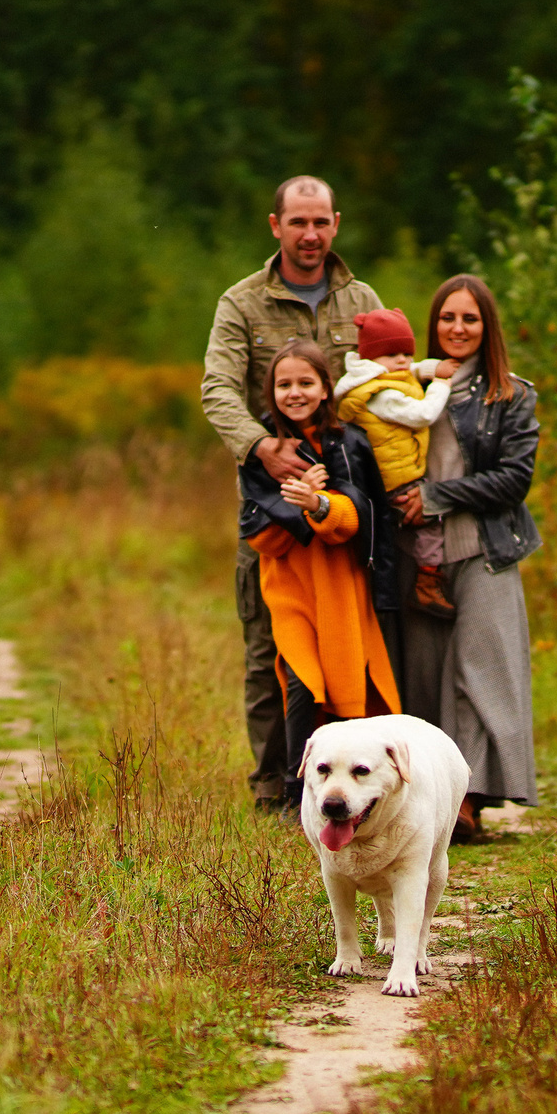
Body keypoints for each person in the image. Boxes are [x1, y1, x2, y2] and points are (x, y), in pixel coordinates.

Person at [201, 176, 391, 813]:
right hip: (274, 513)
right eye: (297, 223)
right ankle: (274, 791)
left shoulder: (361, 298)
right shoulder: (242, 303)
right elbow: (218, 390)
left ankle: (355, 789)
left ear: (336, 223)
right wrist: (262, 446)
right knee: (269, 654)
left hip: (348, 514)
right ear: (275, 225)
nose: (310, 235)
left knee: (355, 650)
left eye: (321, 223)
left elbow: (386, 389)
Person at [392, 275, 541, 842]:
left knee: (476, 673)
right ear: (434, 325)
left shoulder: (512, 394)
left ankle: (468, 802)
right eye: (448, 318)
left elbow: (513, 480)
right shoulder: (404, 386)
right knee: (425, 675)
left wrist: (436, 497)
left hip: (484, 547)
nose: (457, 328)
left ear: (487, 327)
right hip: (416, 553)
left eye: (470, 319)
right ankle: (426, 803)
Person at [239, 339, 400, 807]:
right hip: (290, 590)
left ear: (326, 388)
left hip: (340, 588)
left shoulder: (350, 442)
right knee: (301, 682)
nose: (295, 393)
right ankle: (296, 791)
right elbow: (260, 535)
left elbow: (362, 518)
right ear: (270, 392)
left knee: (347, 686)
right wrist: (298, 507)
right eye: (284, 384)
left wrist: (321, 505)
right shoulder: (261, 451)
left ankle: (360, 790)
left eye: (306, 382)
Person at [333, 307, 455, 621]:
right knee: (429, 522)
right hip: (396, 480)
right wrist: (442, 382)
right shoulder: (379, 393)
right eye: (391, 354)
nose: (402, 360)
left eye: (406, 352)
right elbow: (423, 415)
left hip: (392, 474)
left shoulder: (380, 376)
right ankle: (427, 582)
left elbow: (413, 370)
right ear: (371, 358)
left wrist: (432, 367)